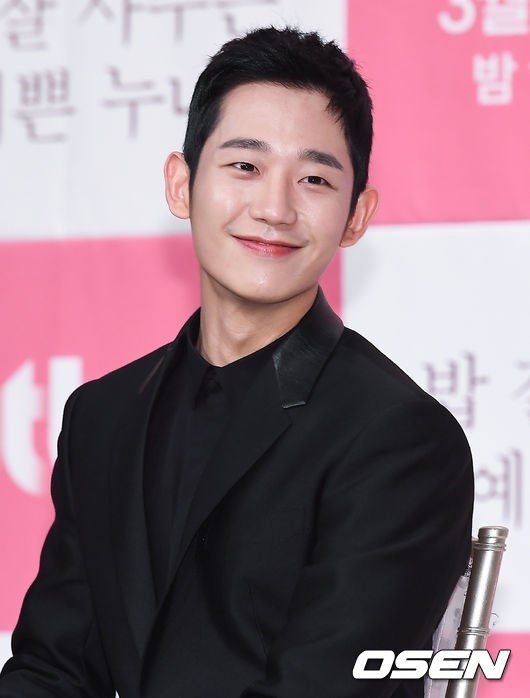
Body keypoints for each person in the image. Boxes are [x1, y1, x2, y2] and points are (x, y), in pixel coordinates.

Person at [0, 26, 473, 698]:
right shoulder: (101, 417)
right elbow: (52, 668)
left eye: (314, 179)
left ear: (356, 216)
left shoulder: (399, 440)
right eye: (245, 167)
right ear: (181, 184)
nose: (274, 209)